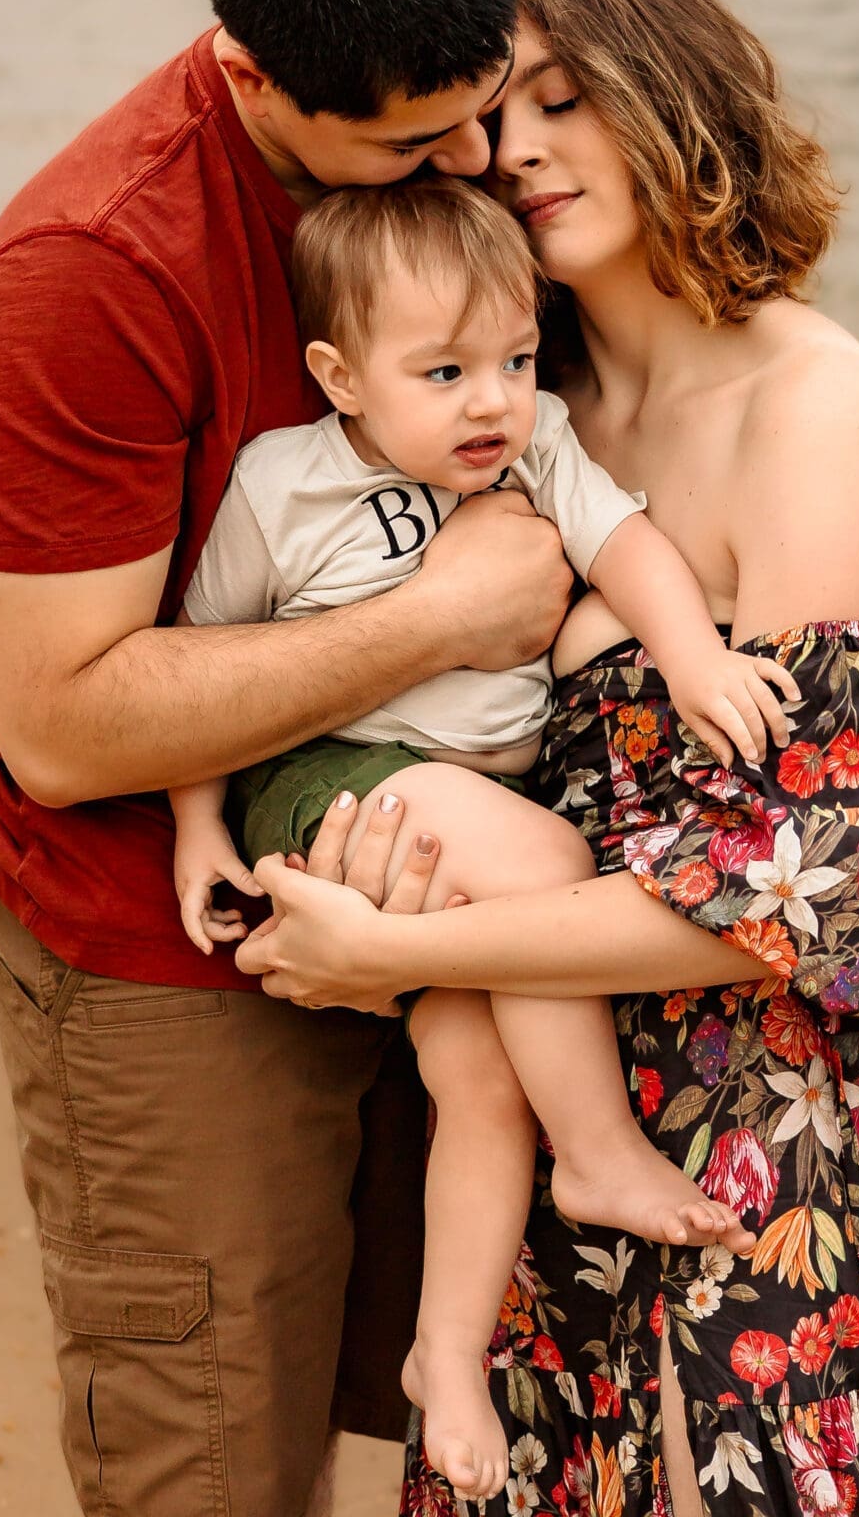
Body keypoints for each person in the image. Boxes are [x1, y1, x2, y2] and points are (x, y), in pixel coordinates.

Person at [236, 0, 859, 1516]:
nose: (514, 150)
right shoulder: (501, 407)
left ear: (673, 91)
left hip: (787, 1143)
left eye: (561, 99)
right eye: (488, 119)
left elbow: (825, 887)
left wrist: (395, 958)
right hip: (547, 1116)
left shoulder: (808, 404)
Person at [0, 0, 580, 1517]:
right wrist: (449, 611)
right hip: (161, 924)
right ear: (246, 73)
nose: (468, 166)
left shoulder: (455, 137)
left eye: (482, 111)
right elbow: (60, 726)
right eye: (406, 144)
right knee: (218, 1440)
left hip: (426, 875)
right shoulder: (93, 268)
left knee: (459, 1392)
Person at [171, 174, 802, 1499]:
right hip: (333, 772)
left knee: (478, 1071)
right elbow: (204, 664)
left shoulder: (537, 444)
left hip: (462, 799)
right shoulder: (280, 485)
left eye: (513, 359)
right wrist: (193, 832)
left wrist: (691, 657)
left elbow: (622, 540)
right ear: (340, 378)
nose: (490, 400)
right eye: (444, 370)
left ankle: (443, 1355)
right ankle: (604, 1156)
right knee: (547, 868)